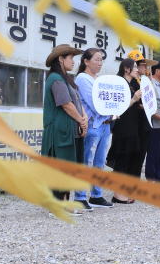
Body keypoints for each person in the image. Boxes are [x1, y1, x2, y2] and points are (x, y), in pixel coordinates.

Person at [41, 44, 88, 214]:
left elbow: (77, 101)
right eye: (71, 58)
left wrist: (84, 119)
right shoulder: (56, 79)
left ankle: (64, 202)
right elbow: (67, 105)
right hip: (60, 131)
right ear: (61, 59)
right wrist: (82, 122)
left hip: (70, 130)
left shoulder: (67, 79)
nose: (74, 61)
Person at [74, 48, 114, 210]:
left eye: (101, 60)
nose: (100, 63)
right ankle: (80, 196)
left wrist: (112, 111)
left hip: (104, 124)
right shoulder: (83, 79)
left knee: (98, 162)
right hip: (92, 124)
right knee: (86, 161)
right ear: (86, 61)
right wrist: (111, 111)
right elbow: (95, 103)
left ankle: (96, 195)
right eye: (97, 60)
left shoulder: (99, 79)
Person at [106, 58, 143, 203]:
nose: (136, 69)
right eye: (134, 67)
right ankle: (117, 194)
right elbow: (118, 109)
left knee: (128, 157)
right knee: (121, 158)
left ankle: (122, 191)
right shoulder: (119, 84)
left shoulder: (132, 83)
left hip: (132, 124)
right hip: (122, 126)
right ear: (126, 69)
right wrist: (133, 100)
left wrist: (138, 103)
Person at [127, 49, 158, 178]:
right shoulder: (131, 82)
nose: (145, 68)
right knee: (133, 155)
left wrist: (150, 81)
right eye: (142, 65)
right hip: (135, 124)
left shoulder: (144, 81)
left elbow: (153, 100)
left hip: (145, 123)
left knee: (141, 156)